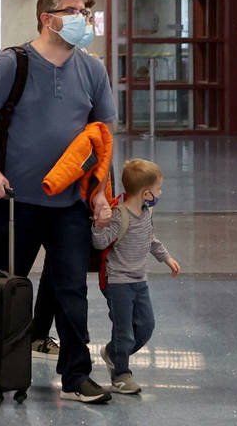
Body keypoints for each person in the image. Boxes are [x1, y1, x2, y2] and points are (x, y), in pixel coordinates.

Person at [0, 0, 117, 405]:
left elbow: (103, 137)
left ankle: (77, 374)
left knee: (72, 289)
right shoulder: (12, 65)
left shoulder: (92, 70)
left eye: (85, 12)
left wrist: (101, 194)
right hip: (16, 199)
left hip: (70, 202)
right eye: (73, 12)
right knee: (5, 286)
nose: (82, 19)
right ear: (47, 18)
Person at [91, 159, 181, 395]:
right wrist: (100, 224)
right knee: (124, 331)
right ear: (146, 192)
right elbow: (100, 242)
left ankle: (113, 353)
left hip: (140, 281)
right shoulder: (120, 216)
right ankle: (121, 374)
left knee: (146, 326)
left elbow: (150, 239)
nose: (160, 193)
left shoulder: (145, 213)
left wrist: (166, 258)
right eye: (159, 189)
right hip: (118, 283)